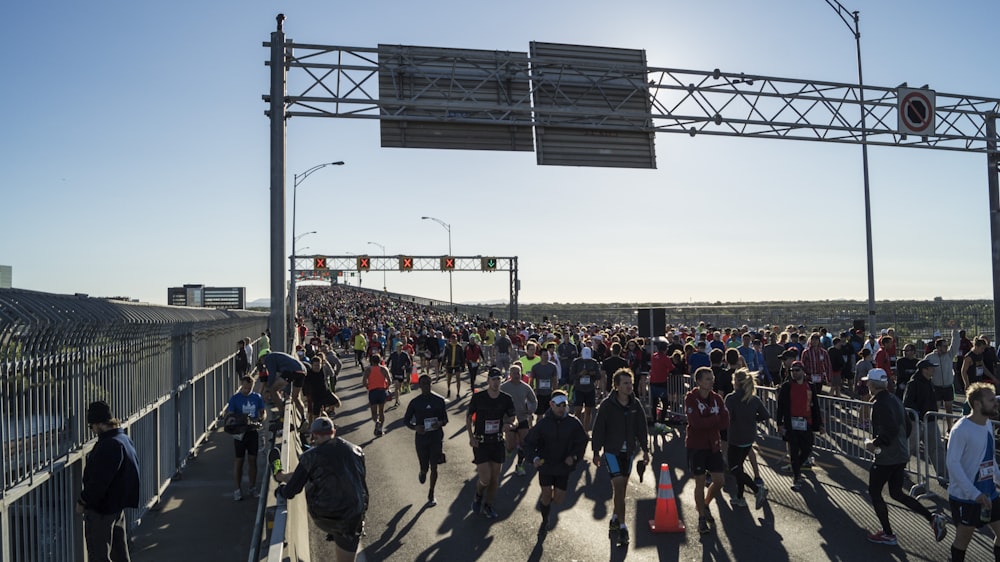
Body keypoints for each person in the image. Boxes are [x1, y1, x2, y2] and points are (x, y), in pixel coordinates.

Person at [862, 368, 947, 545]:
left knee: (874, 492)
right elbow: (907, 426)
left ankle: (888, 534)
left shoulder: (880, 403)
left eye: (868, 382)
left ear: (872, 384)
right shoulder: (894, 399)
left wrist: (874, 444)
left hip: (886, 457)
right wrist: (899, 444)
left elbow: (890, 429)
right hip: (900, 454)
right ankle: (931, 517)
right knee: (896, 493)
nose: (866, 384)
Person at [275, 417, 368, 562]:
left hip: (326, 515)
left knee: (308, 477)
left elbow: (291, 491)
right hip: (353, 515)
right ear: (334, 432)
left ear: (314, 435)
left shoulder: (311, 456)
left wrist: (280, 491)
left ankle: (281, 476)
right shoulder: (356, 450)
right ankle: (283, 476)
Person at [591, 368, 650, 547]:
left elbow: (642, 427)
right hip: (611, 452)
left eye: (630, 383)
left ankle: (616, 517)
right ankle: (623, 528)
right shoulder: (607, 405)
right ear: (616, 386)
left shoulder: (635, 404)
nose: (629, 386)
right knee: (618, 486)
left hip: (629, 453)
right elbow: (599, 428)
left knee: (622, 491)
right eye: (625, 383)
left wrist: (646, 450)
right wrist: (595, 451)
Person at [76, 401, 140, 562]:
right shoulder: (123, 438)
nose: (92, 430)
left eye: (91, 426)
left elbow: (99, 481)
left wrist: (83, 501)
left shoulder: (110, 445)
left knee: (98, 556)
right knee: (120, 554)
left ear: (98, 424)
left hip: (102, 510)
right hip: (116, 508)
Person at [945, 382, 1000, 562]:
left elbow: (990, 460)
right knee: (963, 540)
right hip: (966, 497)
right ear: (977, 404)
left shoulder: (987, 424)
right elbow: (952, 464)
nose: (995, 403)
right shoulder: (961, 429)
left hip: (989, 493)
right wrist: (974, 494)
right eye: (991, 400)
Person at [524, 390, 589, 533]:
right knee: (546, 494)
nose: (561, 408)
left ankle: (547, 506)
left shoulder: (573, 423)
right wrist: (533, 458)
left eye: (564, 405)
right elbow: (528, 443)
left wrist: (574, 457)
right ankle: (545, 519)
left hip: (563, 467)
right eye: (558, 405)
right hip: (546, 465)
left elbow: (582, 442)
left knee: (558, 499)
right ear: (551, 405)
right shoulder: (543, 424)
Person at [685, 366, 730, 534]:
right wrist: (714, 419)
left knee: (719, 481)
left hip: (713, 444)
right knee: (700, 482)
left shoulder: (717, 398)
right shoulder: (691, 398)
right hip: (696, 446)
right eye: (707, 379)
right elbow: (695, 423)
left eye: (712, 379)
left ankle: (704, 504)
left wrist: (710, 420)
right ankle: (701, 518)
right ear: (698, 382)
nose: (711, 382)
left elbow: (725, 421)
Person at [467, 368, 518, 519]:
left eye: (498, 379)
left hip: (497, 441)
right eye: (493, 379)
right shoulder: (479, 397)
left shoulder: (506, 398)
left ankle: (488, 505)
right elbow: (469, 417)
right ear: (488, 380)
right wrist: (471, 437)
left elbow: (513, 418)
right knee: (486, 478)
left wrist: (510, 425)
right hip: (481, 442)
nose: (496, 382)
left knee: (495, 479)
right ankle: (478, 495)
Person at [725, 369, 770, 511]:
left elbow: (727, 417)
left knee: (734, 468)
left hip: (735, 437)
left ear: (736, 382)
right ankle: (739, 497)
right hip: (749, 437)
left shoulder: (731, 398)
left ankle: (757, 490)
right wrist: (752, 419)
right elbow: (765, 415)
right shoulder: (754, 398)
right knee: (739, 467)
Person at [776, 360, 823, 491]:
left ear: (803, 371)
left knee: (807, 449)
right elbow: (780, 406)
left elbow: (815, 407)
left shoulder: (810, 386)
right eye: (792, 371)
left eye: (797, 370)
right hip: (791, 423)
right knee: (794, 450)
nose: (794, 373)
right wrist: (779, 423)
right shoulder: (786, 386)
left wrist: (820, 424)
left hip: (806, 422)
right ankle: (796, 477)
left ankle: (796, 466)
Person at [404, 374, 449, 506]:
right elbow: (406, 421)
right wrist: (415, 428)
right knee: (425, 466)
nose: (426, 386)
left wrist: (439, 423)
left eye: (428, 383)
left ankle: (431, 493)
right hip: (421, 439)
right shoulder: (415, 402)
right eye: (423, 384)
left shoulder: (439, 401)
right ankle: (423, 472)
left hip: (436, 437)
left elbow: (445, 419)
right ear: (419, 386)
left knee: (434, 466)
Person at [904, 359, 948, 491]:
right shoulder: (913, 383)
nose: (933, 370)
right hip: (917, 422)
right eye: (931, 368)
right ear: (924, 369)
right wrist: (917, 415)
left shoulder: (929, 382)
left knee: (937, 448)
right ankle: (897, 471)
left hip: (930, 421)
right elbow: (907, 402)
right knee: (909, 448)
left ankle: (943, 476)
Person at [224, 375, 267, 500]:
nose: (247, 390)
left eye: (249, 388)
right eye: (245, 388)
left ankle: (252, 487)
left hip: (252, 431)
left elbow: (263, 411)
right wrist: (233, 420)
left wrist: (261, 418)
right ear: (241, 385)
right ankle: (237, 490)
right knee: (239, 461)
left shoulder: (256, 397)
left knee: (253, 460)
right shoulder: (235, 399)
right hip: (240, 433)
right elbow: (230, 414)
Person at [260, 351, 307, 417]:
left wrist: (267, 387)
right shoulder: (276, 356)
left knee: (273, 389)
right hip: (302, 371)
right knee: (295, 397)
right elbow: (287, 380)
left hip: (292, 371)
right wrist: (287, 392)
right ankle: (303, 417)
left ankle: (282, 413)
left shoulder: (268, 358)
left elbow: (272, 375)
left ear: (262, 358)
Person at [925, 328, 961, 411]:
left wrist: (954, 331)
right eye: (944, 346)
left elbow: (955, 343)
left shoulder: (949, 355)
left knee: (949, 409)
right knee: (935, 409)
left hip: (948, 386)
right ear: (938, 347)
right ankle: (935, 424)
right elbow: (924, 369)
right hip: (936, 387)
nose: (947, 347)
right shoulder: (930, 357)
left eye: (947, 345)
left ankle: (950, 424)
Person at [570, 346, 602, 431]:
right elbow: (571, 376)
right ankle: (576, 430)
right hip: (579, 389)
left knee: (588, 411)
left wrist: (593, 373)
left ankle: (585, 430)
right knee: (578, 410)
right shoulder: (576, 362)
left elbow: (599, 376)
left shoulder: (594, 362)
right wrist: (580, 374)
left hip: (590, 389)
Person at [361, 354, 392, 436]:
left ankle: (377, 422)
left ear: (371, 361)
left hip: (373, 392)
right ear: (380, 360)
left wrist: (368, 387)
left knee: (374, 413)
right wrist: (387, 387)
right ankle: (380, 429)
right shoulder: (384, 369)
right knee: (381, 411)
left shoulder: (368, 370)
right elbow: (389, 380)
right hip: (382, 391)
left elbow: (364, 382)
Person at [531, 348, 560, 422]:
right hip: (539, 394)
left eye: (547, 355)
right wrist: (532, 392)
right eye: (544, 355)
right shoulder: (535, 367)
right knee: (539, 415)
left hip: (549, 394)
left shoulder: (553, 366)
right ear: (540, 356)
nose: (546, 357)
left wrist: (555, 393)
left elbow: (555, 380)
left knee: (550, 415)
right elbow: (531, 380)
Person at [386, 342, 413, 407]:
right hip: (394, 371)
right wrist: (387, 368)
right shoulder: (393, 354)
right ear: (396, 347)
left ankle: (398, 397)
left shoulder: (405, 354)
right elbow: (388, 361)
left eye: (401, 346)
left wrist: (405, 367)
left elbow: (409, 363)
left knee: (399, 387)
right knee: (396, 387)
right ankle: (397, 401)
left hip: (401, 372)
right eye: (398, 346)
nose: (400, 348)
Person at [441, 333, 465, 398]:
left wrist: (463, 365)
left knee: (458, 379)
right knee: (449, 379)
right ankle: (448, 389)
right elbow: (445, 355)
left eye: (455, 338)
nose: (454, 340)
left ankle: (458, 393)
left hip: (457, 364)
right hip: (449, 364)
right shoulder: (448, 346)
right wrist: (443, 362)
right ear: (450, 339)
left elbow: (462, 356)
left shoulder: (459, 346)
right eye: (453, 338)